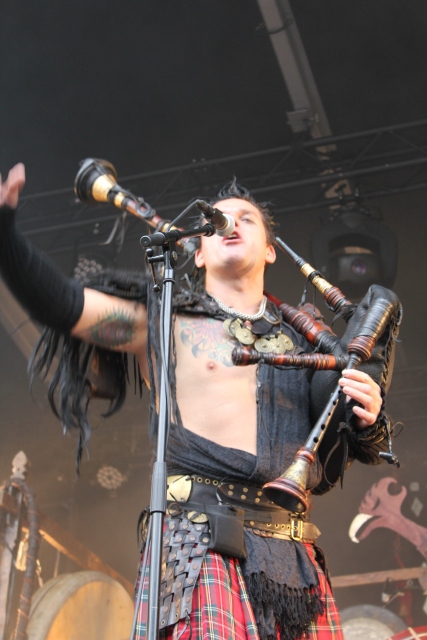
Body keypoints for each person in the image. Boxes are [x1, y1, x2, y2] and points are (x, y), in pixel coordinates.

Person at [0, 163, 397, 640]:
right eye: (217, 221)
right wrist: (4, 233)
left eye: (247, 219)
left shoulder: (310, 343)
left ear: (270, 250)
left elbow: (341, 448)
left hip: (292, 556)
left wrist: (368, 414)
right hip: (199, 542)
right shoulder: (167, 321)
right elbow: (61, 304)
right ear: (199, 252)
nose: (231, 224)